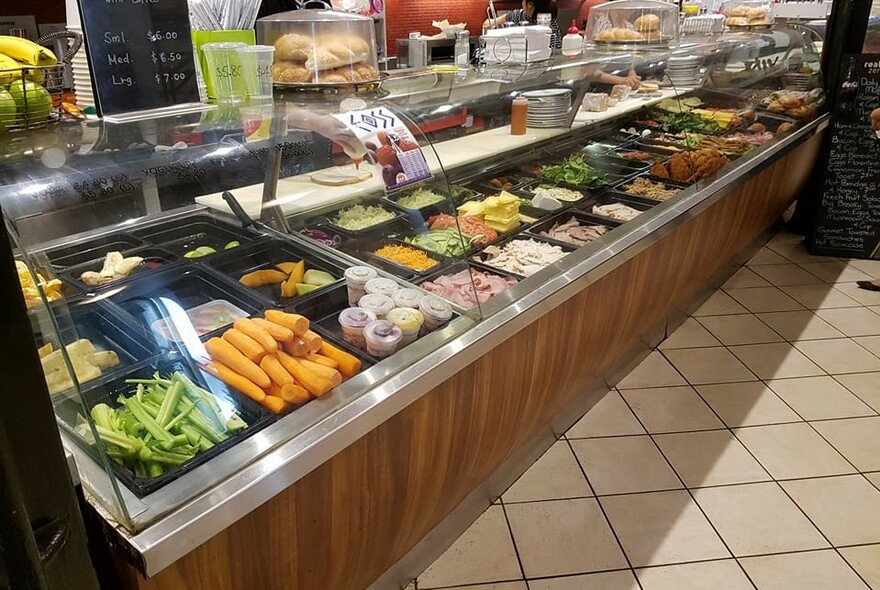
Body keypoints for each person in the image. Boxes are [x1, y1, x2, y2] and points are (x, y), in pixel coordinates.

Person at [483, 0, 562, 49]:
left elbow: (555, 50)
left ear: (530, 5)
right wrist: (493, 22)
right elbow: (506, 17)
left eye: (523, 1)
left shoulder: (548, 23)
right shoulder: (522, 15)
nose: (522, 3)